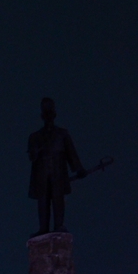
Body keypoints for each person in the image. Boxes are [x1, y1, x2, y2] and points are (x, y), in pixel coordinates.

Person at [28, 97, 86, 235]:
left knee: (58, 198)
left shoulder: (62, 134)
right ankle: (43, 228)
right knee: (43, 200)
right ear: (42, 116)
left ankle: (59, 225)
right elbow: (31, 156)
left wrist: (78, 169)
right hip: (41, 172)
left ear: (54, 115)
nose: (48, 116)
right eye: (46, 113)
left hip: (58, 171)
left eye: (50, 113)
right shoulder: (35, 137)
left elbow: (71, 153)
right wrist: (36, 151)